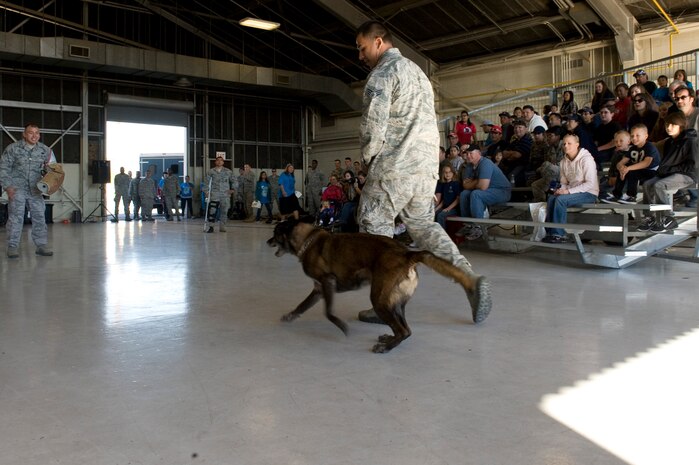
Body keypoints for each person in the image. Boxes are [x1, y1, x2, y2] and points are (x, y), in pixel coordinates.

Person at [354, 20, 491, 324]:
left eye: (362, 48)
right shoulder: (418, 74)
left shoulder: (382, 74)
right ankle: (469, 278)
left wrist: (368, 160)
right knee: (424, 227)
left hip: (394, 165)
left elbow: (372, 126)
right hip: (425, 168)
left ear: (378, 42)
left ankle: (387, 301)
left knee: (373, 227)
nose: (360, 56)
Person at [0, 123, 56, 258]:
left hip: (36, 190)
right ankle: (13, 246)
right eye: (31, 133)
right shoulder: (13, 149)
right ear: (24, 134)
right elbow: (3, 168)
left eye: (37, 133)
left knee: (39, 217)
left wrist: (50, 183)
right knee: (15, 218)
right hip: (16, 189)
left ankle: (41, 245)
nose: (34, 135)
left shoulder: (45, 150)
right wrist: (7, 186)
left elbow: (53, 170)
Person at [638, 111, 697, 232]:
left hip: (688, 174)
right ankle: (650, 217)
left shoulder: (690, 141)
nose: (668, 128)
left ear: (680, 126)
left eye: (673, 125)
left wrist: (670, 169)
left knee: (659, 185)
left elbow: (693, 164)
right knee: (647, 184)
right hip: (670, 173)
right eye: (666, 125)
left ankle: (667, 218)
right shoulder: (669, 142)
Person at [542, 134, 599, 243]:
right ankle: (550, 231)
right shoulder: (563, 162)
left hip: (588, 193)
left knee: (560, 200)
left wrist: (567, 191)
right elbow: (564, 182)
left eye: (569, 143)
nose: (566, 146)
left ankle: (559, 234)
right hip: (572, 192)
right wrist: (561, 190)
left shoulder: (586, 159)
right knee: (552, 198)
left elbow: (590, 184)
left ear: (577, 145)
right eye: (564, 144)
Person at [456, 145, 511, 240]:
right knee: (464, 193)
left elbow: (483, 186)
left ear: (479, 154)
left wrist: (474, 182)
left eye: (471, 153)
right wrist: (479, 181)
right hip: (488, 191)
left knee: (476, 194)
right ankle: (469, 225)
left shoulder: (486, 163)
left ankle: (478, 227)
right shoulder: (469, 165)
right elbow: (465, 185)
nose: (468, 156)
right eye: (467, 153)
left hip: (501, 191)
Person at [600, 125, 660, 204]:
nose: (634, 138)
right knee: (624, 172)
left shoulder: (649, 147)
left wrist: (628, 168)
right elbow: (621, 162)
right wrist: (621, 168)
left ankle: (631, 196)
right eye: (632, 136)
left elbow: (646, 163)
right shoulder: (633, 148)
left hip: (652, 172)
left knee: (632, 172)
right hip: (638, 172)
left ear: (646, 136)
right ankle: (617, 195)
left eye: (637, 135)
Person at [205, 156, 236, 232]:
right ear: (215, 162)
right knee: (212, 210)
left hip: (225, 194)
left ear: (223, 162)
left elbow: (234, 180)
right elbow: (206, 182)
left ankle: (222, 226)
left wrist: (233, 189)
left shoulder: (228, 171)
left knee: (224, 211)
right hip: (214, 193)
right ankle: (211, 227)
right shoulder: (211, 171)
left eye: (221, 160)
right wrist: (206, 191)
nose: (219, 162)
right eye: (217, 160)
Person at [434, 165, 461, 230]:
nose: (448, 174)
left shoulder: (456, 183)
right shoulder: (444, 185)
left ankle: (443, 234)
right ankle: (435, 233)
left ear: (453, 173)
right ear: (443, 174)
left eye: (449, 172)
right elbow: (444, 200)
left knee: (441, 215)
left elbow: (458, 199)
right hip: (445, 207)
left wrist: (448, 209)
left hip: (454, 209)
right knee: (434, 213)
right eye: (446, 172)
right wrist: (436, 209)